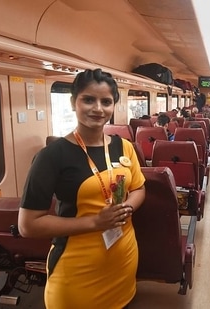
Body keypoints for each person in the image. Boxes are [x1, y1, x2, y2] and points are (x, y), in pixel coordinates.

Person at [18, 69, 146, 309]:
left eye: (106, 101)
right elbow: (28, 225)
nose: (98, 108)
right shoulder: (51, 156)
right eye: (88, 99)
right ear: (73, 102)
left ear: (113, 106)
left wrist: (125, 208)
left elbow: (139, 188)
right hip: (77, 269)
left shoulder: (124, 146)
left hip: (123, 259)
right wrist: (96, 223)